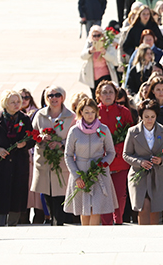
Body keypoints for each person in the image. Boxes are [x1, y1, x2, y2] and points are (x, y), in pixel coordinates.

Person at [0, 90, 35, 226]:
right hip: (0, 167)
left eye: (18, 102)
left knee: (16, 199)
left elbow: (32, 138)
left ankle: (13, 224)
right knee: (0, 198)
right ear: (5, 103)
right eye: (13, 102)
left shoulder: (24, 119)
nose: (17, 104)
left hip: (18, 166)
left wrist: (25, 144)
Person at [63, 97, 117, 225]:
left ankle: (94, 236)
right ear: (81, 112)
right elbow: (68, 155)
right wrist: (77, 176)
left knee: (95, 209)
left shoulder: (103, 129)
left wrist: (102, 165)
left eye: (92, 112)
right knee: (84, 209)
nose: (90, 115)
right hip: (81, 173)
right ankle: (85, 235)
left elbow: (111, 152)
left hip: (98, 173)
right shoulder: (74, 131)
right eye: (86, 112)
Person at [123, 99, 163, 225]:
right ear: (141, 116)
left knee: (155, 210)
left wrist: (161, 160)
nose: (149, 120)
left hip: (158, 175)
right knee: (143, 206)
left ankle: (154, 239)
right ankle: (143, 236)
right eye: (146, 117)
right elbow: (126, 154)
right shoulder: (133, 131)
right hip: (139, 174)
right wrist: (140, 162)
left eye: (152, 117)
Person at [31, 85, 76, 226]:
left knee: (60, 194)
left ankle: (59, 223)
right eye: (50, 95)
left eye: (57, 95)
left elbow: (74, 138)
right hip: (44, 161)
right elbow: (32, 134)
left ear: (62, 97)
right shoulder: (40, 114)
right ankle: (51, 220)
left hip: (61, 161)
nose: (54, 98)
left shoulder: (71, 116)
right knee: (46, 193)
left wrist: (61, 143)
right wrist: (41, 137)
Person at [96, 80, 134, 225]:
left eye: (111, 92)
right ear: (98, 95)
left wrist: (117, 149)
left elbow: (130, 135)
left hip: (119, 160)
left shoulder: (123, 112)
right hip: (100, 160)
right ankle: (106, 223)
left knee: (119, 194)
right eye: (104, 92)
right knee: (103, 193)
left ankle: (117, 221)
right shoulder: (94, 112)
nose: (108, 95)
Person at [79, 25, 120, 94]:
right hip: (92, 76)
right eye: (94, 36)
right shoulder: (89, 44)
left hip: (105, 75)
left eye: (99, 35)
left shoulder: (107, 44)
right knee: (95, 96)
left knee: (105, 93)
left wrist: (105, 53)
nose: (97, 38)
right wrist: (89, 51)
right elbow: (82, 56)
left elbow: (113, 59)